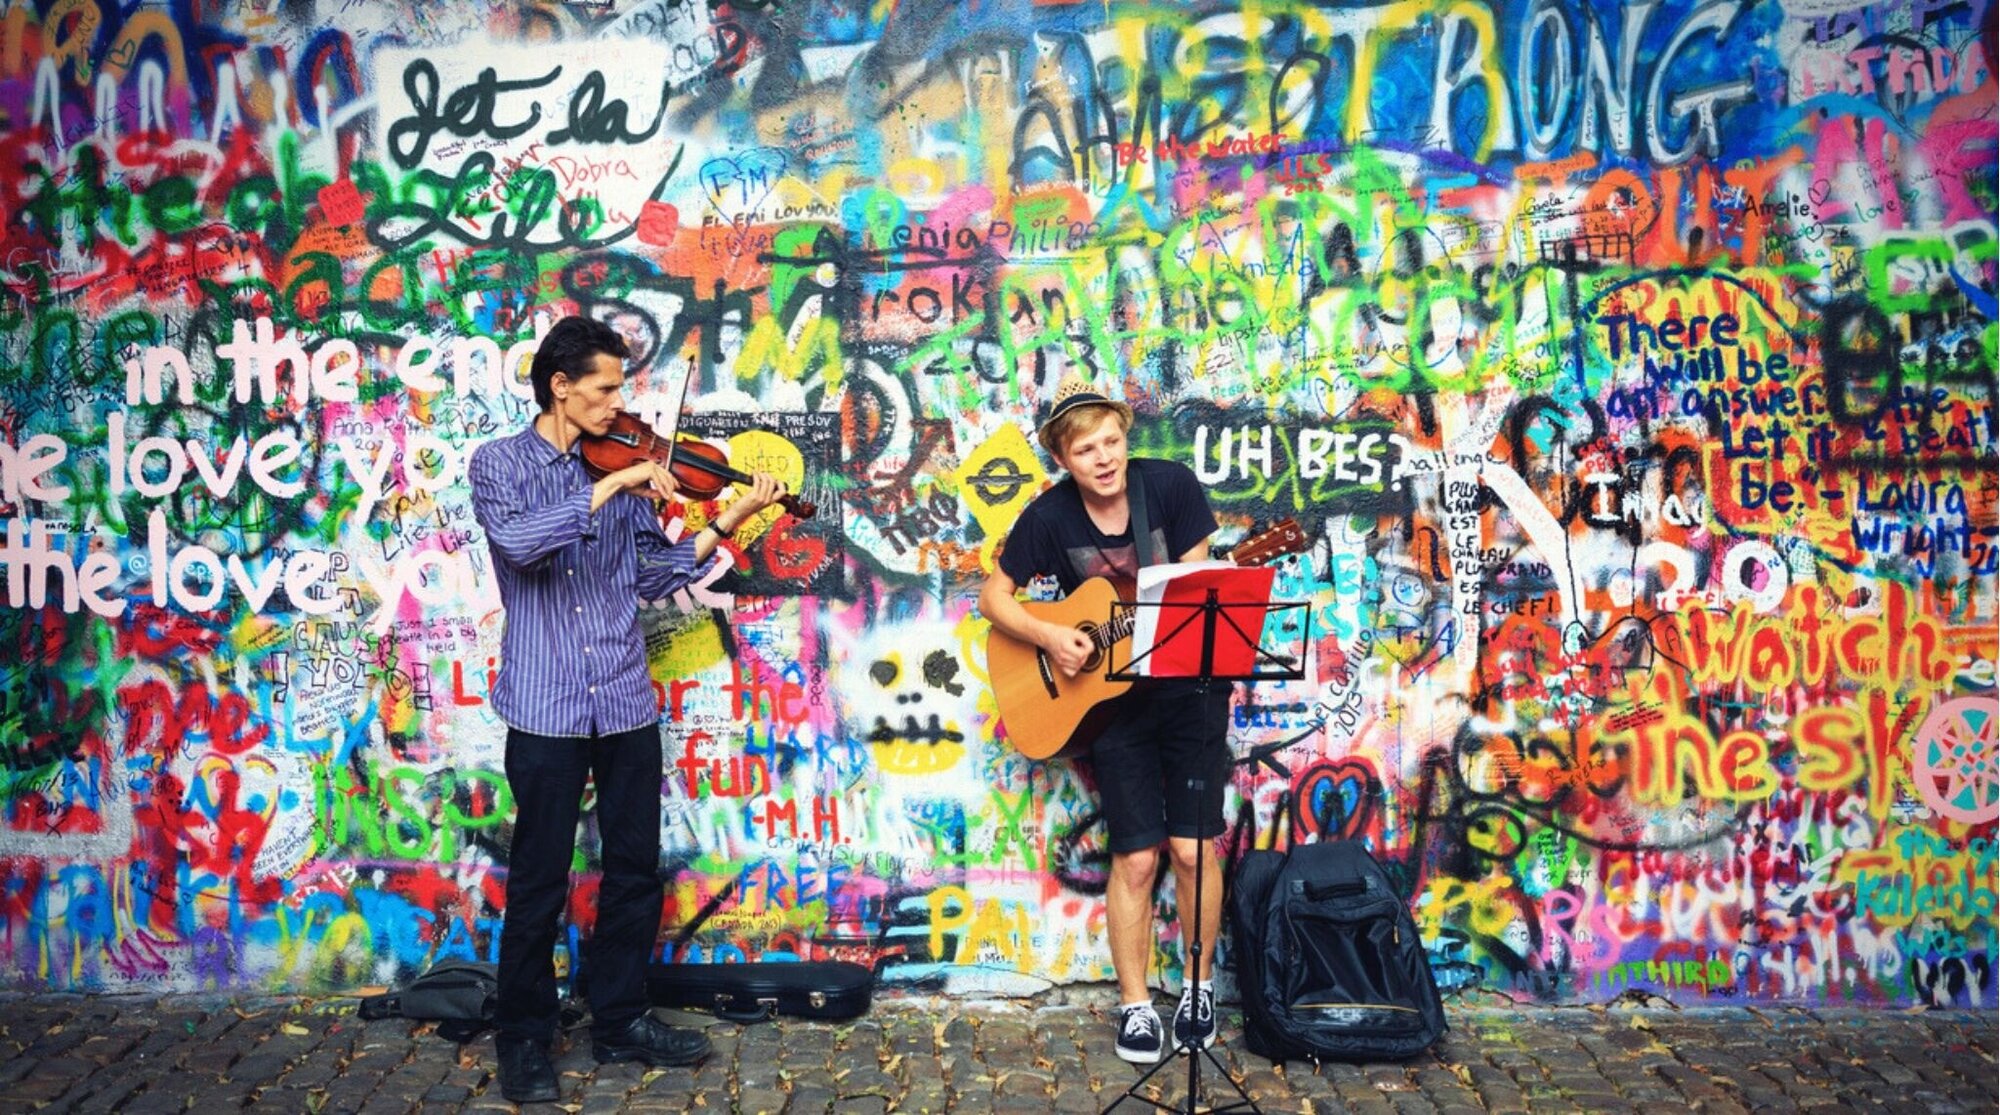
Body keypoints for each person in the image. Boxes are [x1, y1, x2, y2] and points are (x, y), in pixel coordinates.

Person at [467, 314, 786, 1104]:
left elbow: (651, 576)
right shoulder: (500, 464)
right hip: (545, 705)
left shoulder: (628, 462)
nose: (620, 403)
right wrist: (610, 485)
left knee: (635, 868)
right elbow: (520, 546)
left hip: (623, 698)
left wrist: (727, 520)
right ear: (560, 386)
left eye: (622, 387)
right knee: (539, 877)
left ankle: (619, 1017)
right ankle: (525, 1036)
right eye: (606, 387)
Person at [977, 375, 1230, 1064]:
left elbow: (1196, 593)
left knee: (1193, 849)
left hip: (1189, 692)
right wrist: (1050, 636)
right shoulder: (1050, 517)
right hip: (1111, 706)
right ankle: (1136, 1004)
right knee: (1137, 856)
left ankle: (1199, 989)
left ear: (1126, 437)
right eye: (1086, 449)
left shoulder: (1170, 487)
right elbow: (994, 598)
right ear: (1064, 458)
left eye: (1112, 441)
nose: (1104, 458)